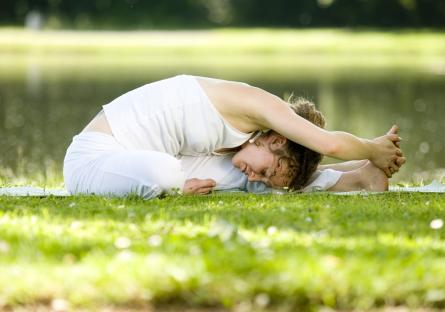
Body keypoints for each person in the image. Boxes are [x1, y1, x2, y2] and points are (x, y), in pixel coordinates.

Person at [63, 74, 404, 198]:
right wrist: (374, 147)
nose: (255, 173)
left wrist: (366, 163)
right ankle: (366, 164)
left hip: (137, 159)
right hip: (95, 160)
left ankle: (360, 178)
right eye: (267, 168)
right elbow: (327, 143)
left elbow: (291, 165)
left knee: (251, 183)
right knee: (165, 173)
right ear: (277, 140)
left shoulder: (251, 140)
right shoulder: (259, 105)